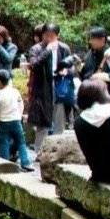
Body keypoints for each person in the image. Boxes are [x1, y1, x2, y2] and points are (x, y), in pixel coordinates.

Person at [26, 23, 71, 153]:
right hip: (42, 88)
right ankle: (39, 151)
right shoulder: (36, 49)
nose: (49, 39)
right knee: (42, 123)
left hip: (59, 86)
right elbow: (34, 64)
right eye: (46, 36)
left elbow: (70, 65)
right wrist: (47, 51)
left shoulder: (64, 48)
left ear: (58, 36)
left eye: (53, 36)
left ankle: (57, 152)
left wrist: (67, 71)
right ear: (42, 35)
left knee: (59, 120)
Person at [0, 68, 33, 171]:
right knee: (21, 141)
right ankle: (26, 162)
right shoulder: (15, 92)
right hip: (16, 121)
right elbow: (21, 105)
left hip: (4, 122)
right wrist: (18, 115)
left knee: (4, 142)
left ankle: (5, 164)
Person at [79, 26, 110, 97]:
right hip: (90, 95)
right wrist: (78, 65)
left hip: (107, 95)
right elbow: (83, 72)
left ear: (102, 40)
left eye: (92, 39)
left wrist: (102, 76)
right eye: (90, 39)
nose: (90, 41)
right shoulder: (89, 53)